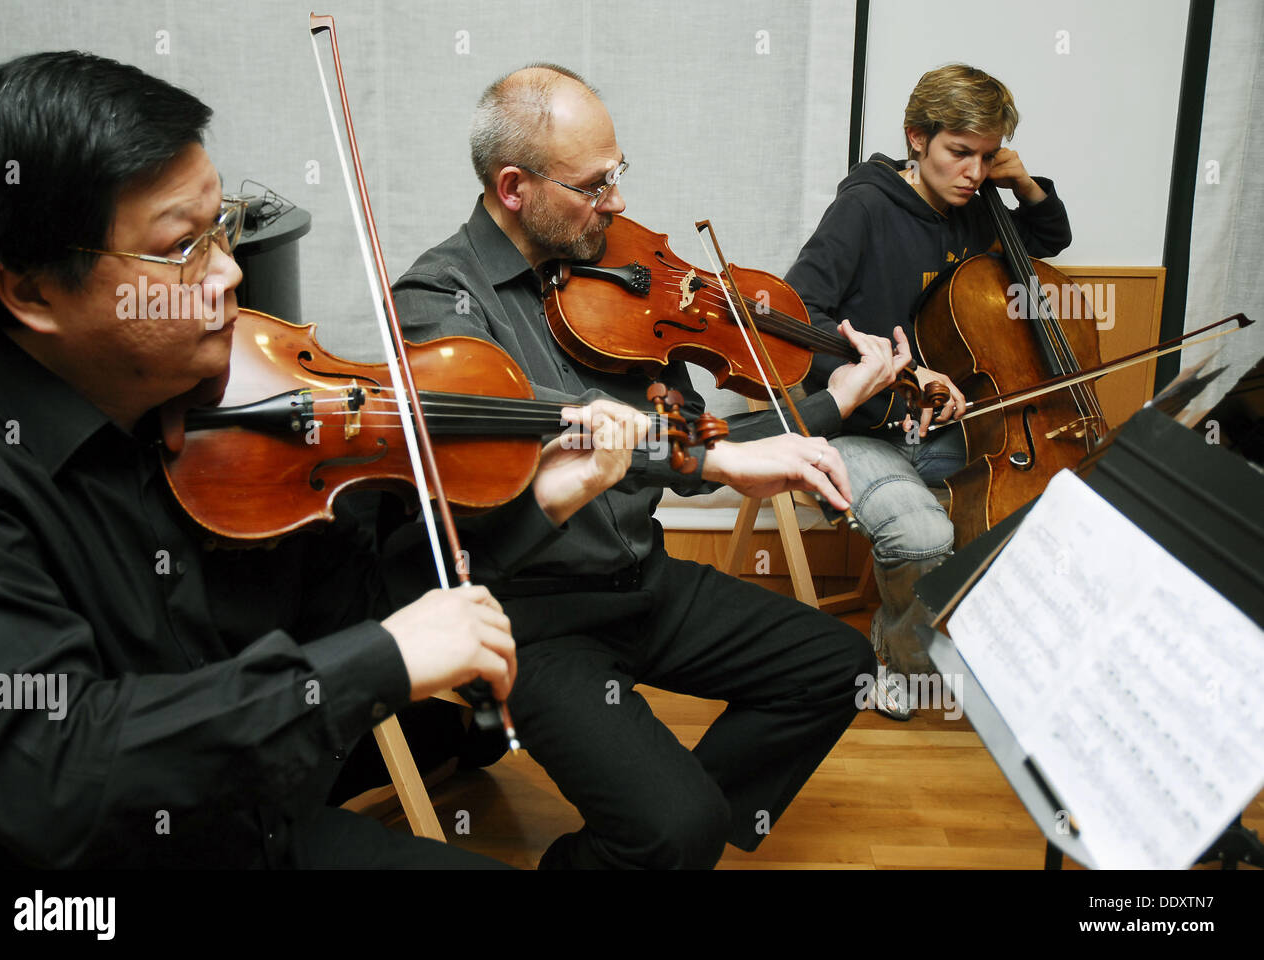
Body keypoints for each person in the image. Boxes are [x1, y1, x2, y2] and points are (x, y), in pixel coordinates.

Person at [0, 51, 648, 869]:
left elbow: (351, 606)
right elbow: (53, 770)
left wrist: (542, 502)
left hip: (250, 819)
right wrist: (375, 663)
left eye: (225, 227)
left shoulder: (194, 408)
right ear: (32, 293)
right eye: (183, 248)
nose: (228, 274)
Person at [390, 64, 911, 869]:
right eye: (595, 184)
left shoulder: (621, 271)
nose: (619, 202)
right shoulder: (437, 305)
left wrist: (832, 400)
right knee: (676, 827)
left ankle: (666, 827)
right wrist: (721, 455)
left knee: (838, 666)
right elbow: (570, 432)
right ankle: (665, 832)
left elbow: (694, 437)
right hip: (534, 614)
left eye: (619, 173)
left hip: (646, 583)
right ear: (515, 186)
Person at [785, 63, 1073, 719]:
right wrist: (907, 372)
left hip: (946, 427)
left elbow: (1050, 238)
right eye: (959, 152)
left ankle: (988, 651)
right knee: (920, 535)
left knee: (1028, 515)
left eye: (987, 156)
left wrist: (1021, 182)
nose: (974, 172)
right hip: (862, 429)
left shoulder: (979, 211)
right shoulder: (864, 208)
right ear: (917, 138)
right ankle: (897, 650)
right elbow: (801, 313)